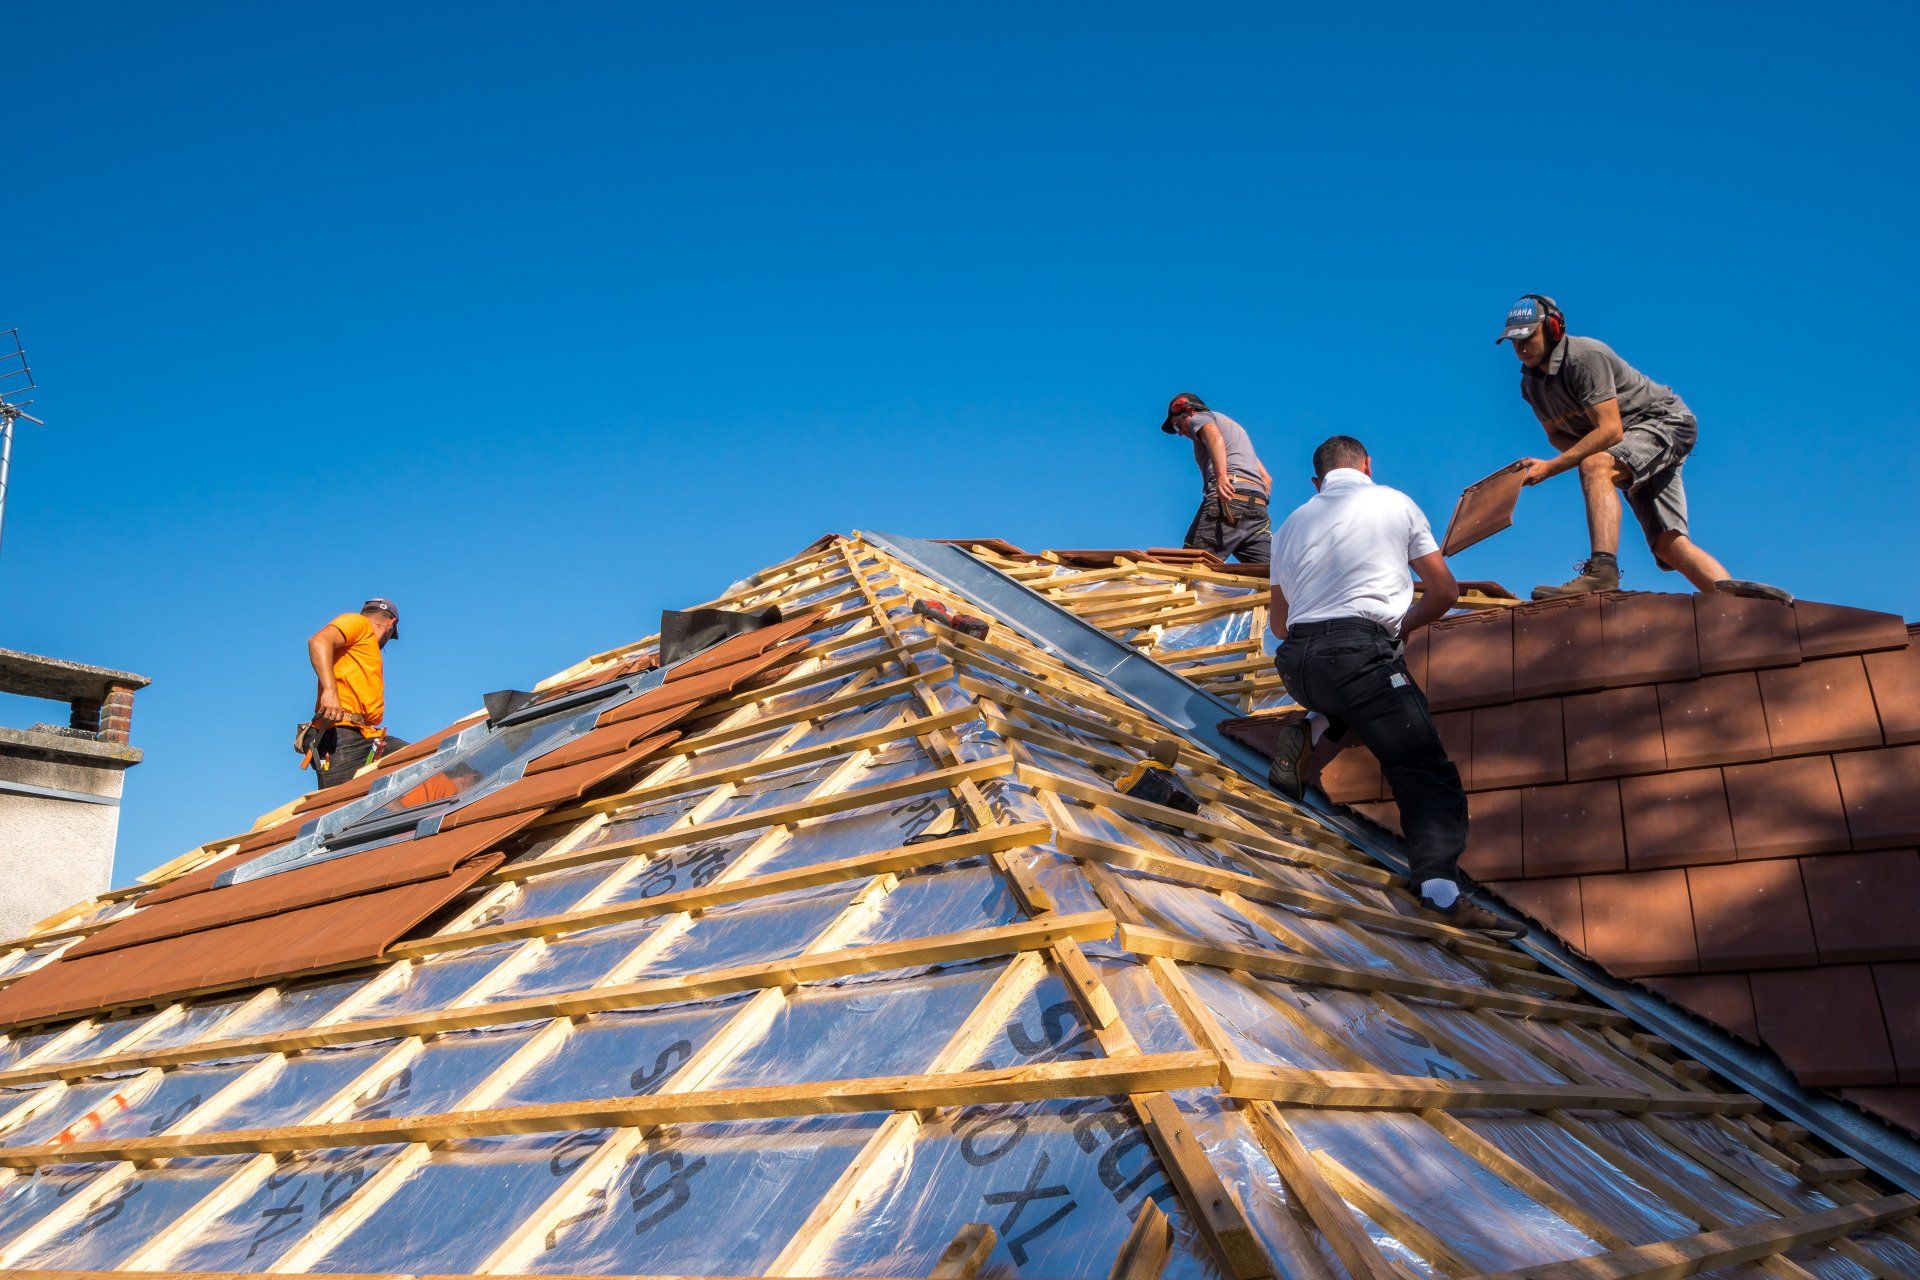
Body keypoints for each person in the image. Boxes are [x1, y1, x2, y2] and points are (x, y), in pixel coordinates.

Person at [1264, 436, 1519, 935]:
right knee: (1423, 767)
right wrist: (1398, 628)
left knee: (1354, 697)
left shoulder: (1290, 525)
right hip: (1358, 654)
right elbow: (1444, 590)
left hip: (1297, 665)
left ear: (1317, 482)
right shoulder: (1395, 502)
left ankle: (1314, 729)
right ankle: (1439, 890)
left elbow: (1279, 625)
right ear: (1367, 465)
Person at [1497, 294, 1792, 604]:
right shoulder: (1530, 386)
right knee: (1668, 545)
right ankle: (1745, 608)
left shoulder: (1584, 357)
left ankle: (1602, 572)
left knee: (1596, 463)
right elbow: (1556, 435)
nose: (1519, 346)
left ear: (1554, 329)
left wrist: (1558, 467)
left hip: (1665, 422)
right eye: (1513, 341)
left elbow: (1610, 430)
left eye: (1527, 336)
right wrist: (1595, 464)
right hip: (1630, 442)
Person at [306, 597, 408, 788]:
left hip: (365, 735)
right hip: (340, 734)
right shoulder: (358, 623)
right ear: (391, 624)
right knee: (341, 804)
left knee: (417, 758)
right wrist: (330, 690)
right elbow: (318, 641)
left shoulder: (364, 642)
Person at [1160, 393, 1274, 563]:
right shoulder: (1236, 431)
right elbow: (1266, 478)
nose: (1181, 433)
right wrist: (1255, 502)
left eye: (1178, 426)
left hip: (1228, 499)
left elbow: (1215, 438)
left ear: (1189, 411)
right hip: (1257, 509)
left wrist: (1222, 477)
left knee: (1186, 565)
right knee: (1271, 572)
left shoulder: (1200, 419)